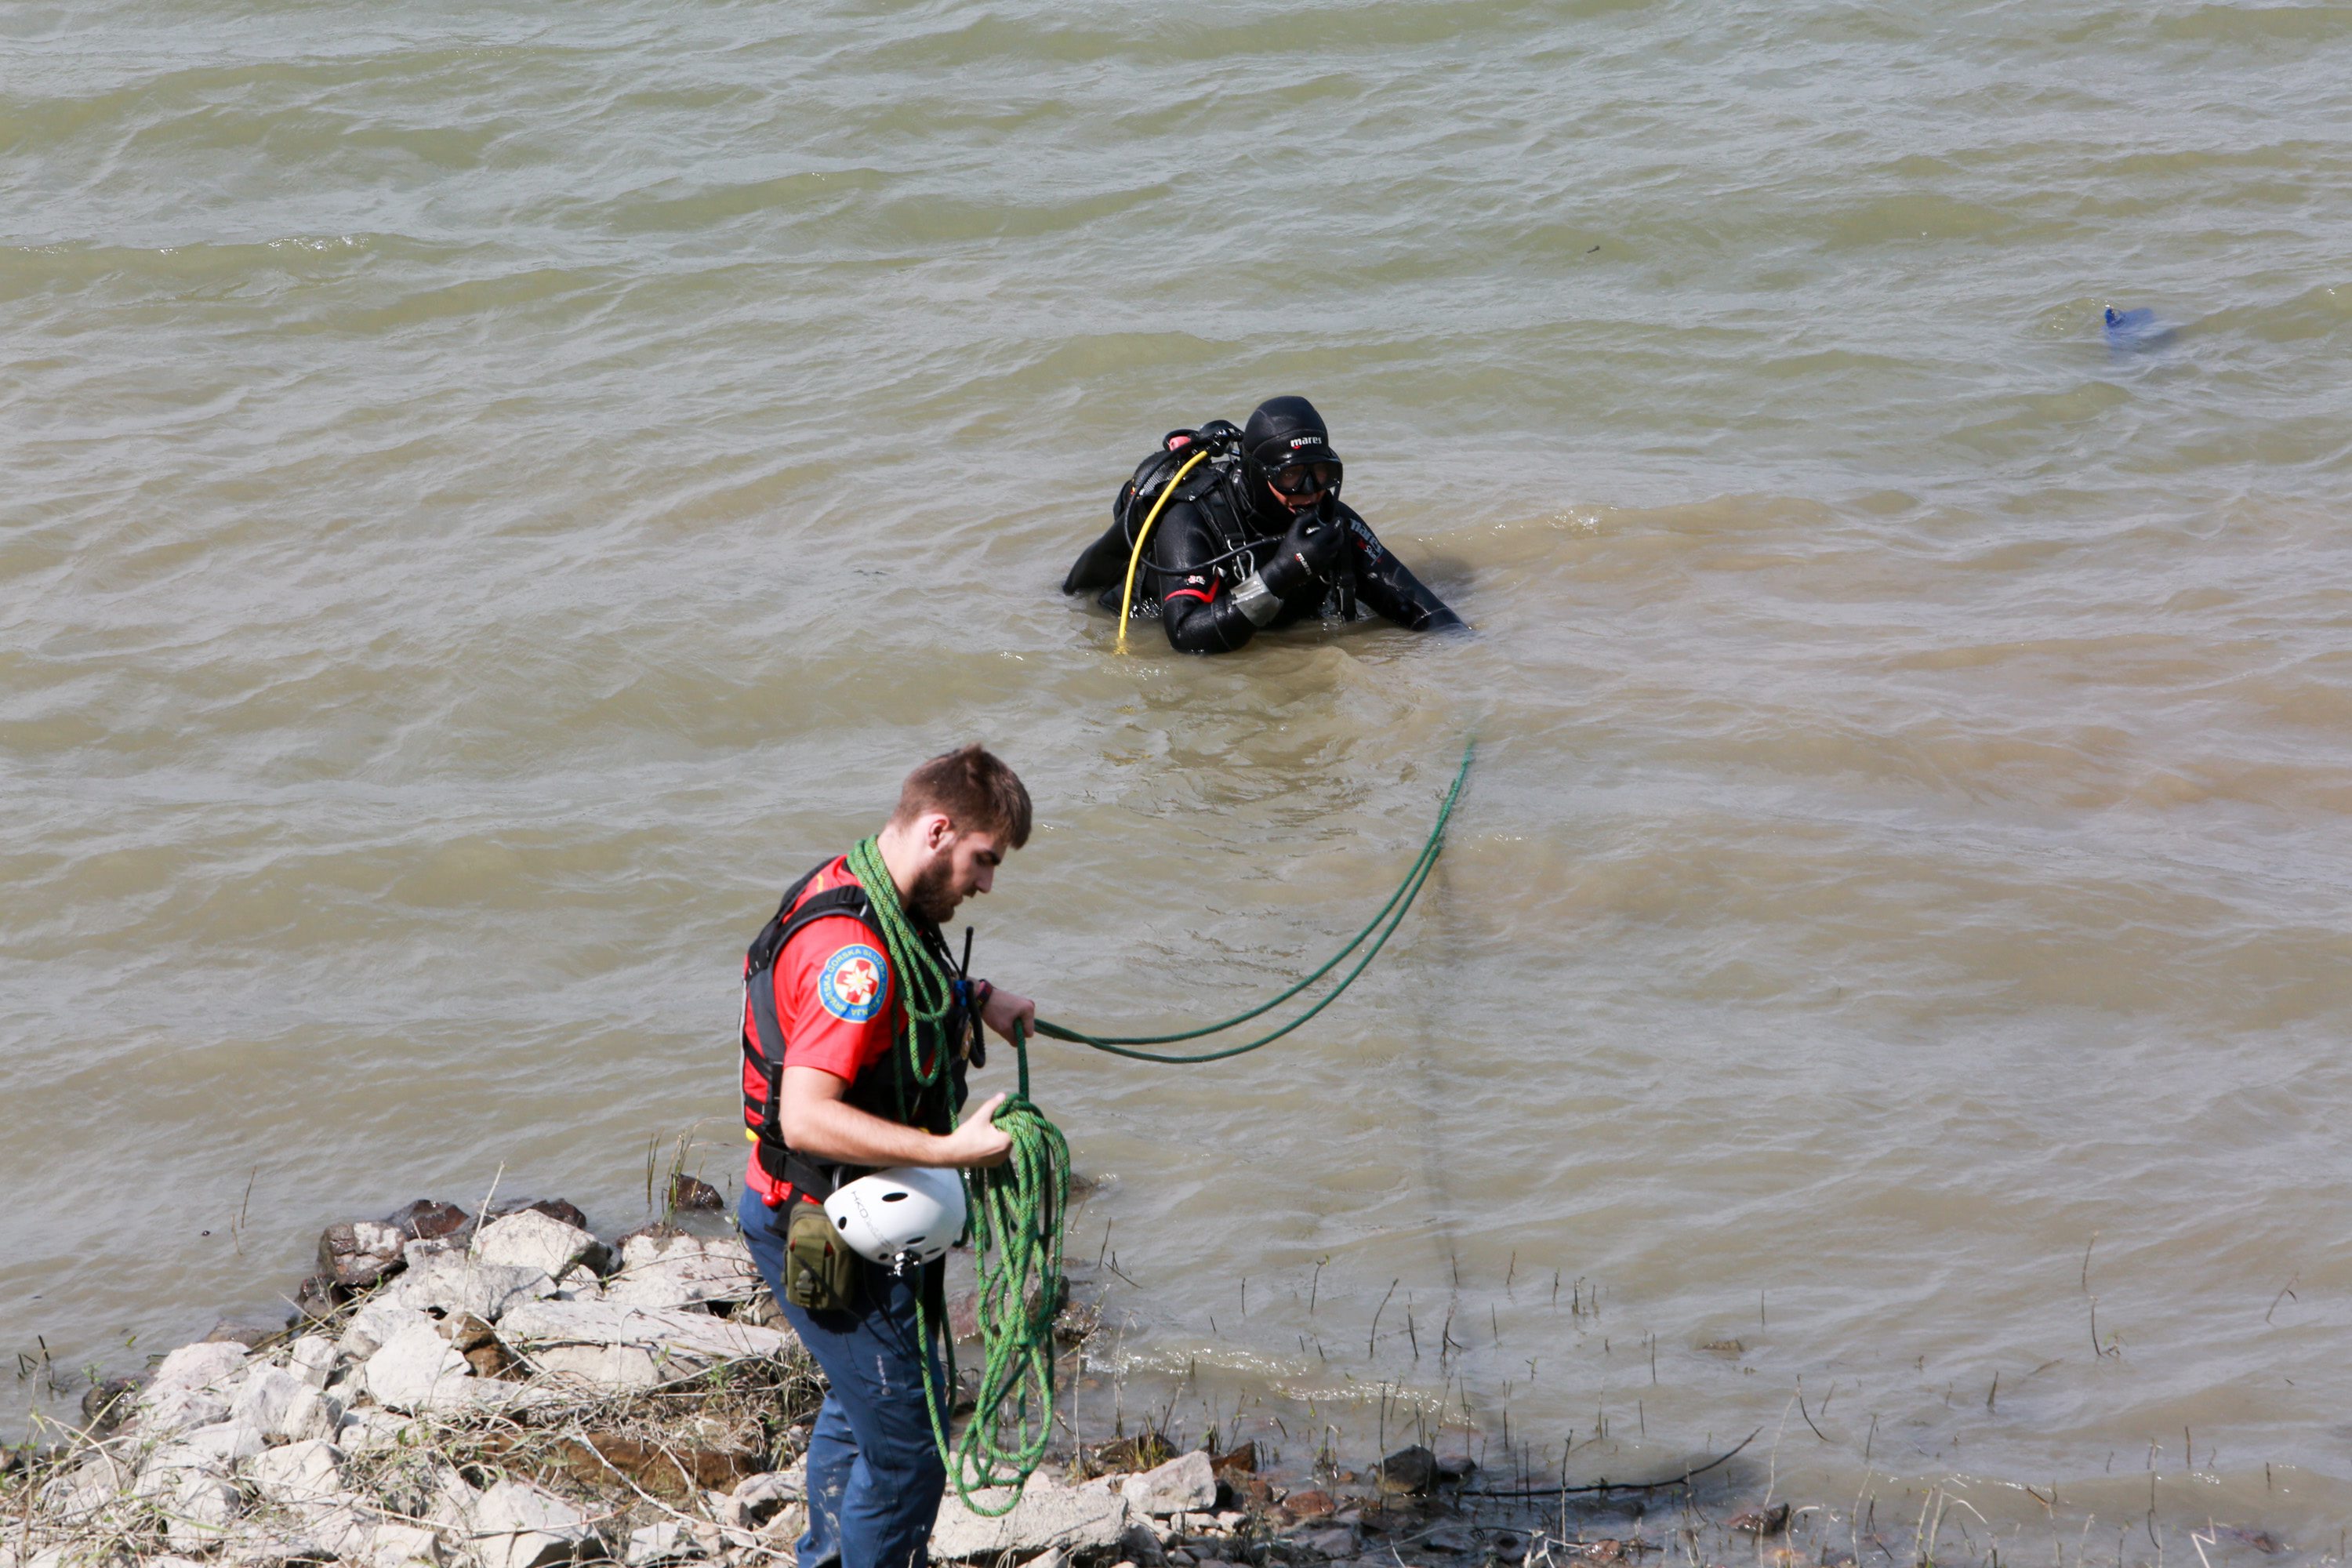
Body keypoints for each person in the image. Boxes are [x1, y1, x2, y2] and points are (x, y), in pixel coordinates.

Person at [734, 745, 1038, 1568]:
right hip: (823, 1221)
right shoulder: (855, 958)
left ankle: (827, 1557)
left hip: (861, 1208)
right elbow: (807, 1116)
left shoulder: (862, 881)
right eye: (983, 859)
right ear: (939, 830)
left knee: (867, 1399)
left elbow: (908, 968)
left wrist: (979, 998)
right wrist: (950, 1148)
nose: (984, 883)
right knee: (910, 1442)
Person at [1062, 394, 1467, 653]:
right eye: (1291, 477)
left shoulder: (1332, 522)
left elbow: (1427, 613)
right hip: (1137, 615)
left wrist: (1483, 677)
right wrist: (1281, 575)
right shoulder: (1190, 520)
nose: (1310, 491)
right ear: (1257, 473)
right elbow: (1186, 637)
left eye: (1322, 474)